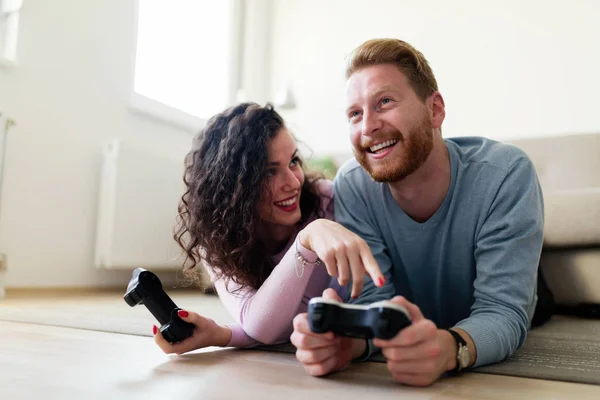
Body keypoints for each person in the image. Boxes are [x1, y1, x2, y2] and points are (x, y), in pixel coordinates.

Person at [291, 38, 545, 387]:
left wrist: (450, 349)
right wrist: (350, 345)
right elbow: (374, 303)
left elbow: (503, 311)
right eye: (355, 114)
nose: (368, 127)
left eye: (385, 102)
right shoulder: (353, 183)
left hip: (505, 290)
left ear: (435, 110)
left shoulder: (504, 174)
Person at [152, 102, 386, 355]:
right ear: (233, 188)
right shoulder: (218, 238)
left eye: (293, 161)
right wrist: (222, 335)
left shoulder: (329, 202)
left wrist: (228, 335)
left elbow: (274, 325)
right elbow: (265, 326)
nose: (293, 182)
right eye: (268, 173)